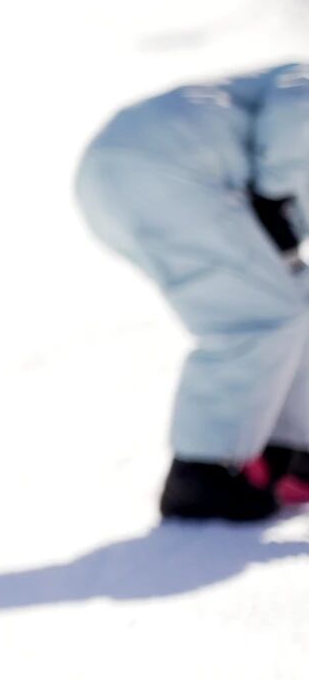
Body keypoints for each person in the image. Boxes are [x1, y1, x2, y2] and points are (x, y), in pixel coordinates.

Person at [76, 63, 309, 521]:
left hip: (124, 171)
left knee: (290, 300)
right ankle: (203, 474)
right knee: (255, 314)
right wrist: (275, 197)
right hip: (171, 163)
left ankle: (283, 452)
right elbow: (298, 116)